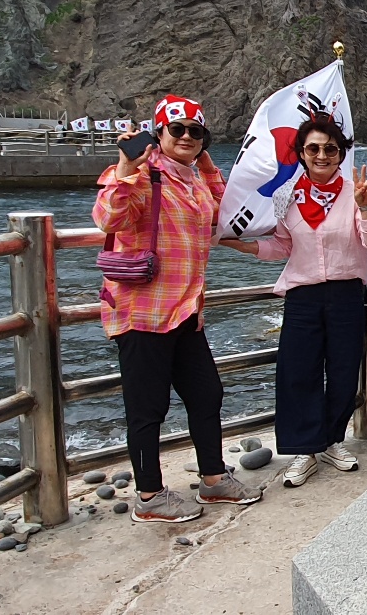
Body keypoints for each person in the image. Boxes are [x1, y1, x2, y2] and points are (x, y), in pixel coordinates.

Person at [94, 95, 263, 523]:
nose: (187, 136)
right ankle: (149, 496)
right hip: (142, 311)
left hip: (187, 310)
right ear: (159, 133)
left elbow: (226, 213)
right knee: (147, 408)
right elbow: (108, 218)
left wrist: (205, 163)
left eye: (196, 131)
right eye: (178, 129)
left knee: (207, 394)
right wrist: (126, 166)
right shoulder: (143, 174)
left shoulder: (194, 179)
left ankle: (213, 479)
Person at [218, 112, 367, 487]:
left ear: (341, 153)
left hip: (346, 292)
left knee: (344, 372)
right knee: (299, 372)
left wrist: (365, 207)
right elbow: (283, 245)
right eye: (314, 149)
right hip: (302, 295)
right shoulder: (286, 196)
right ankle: (305, 450)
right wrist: (245, 247)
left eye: (330, 149)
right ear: (302, 153)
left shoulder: (355, 192)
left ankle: (331, 441)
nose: (322, 155)